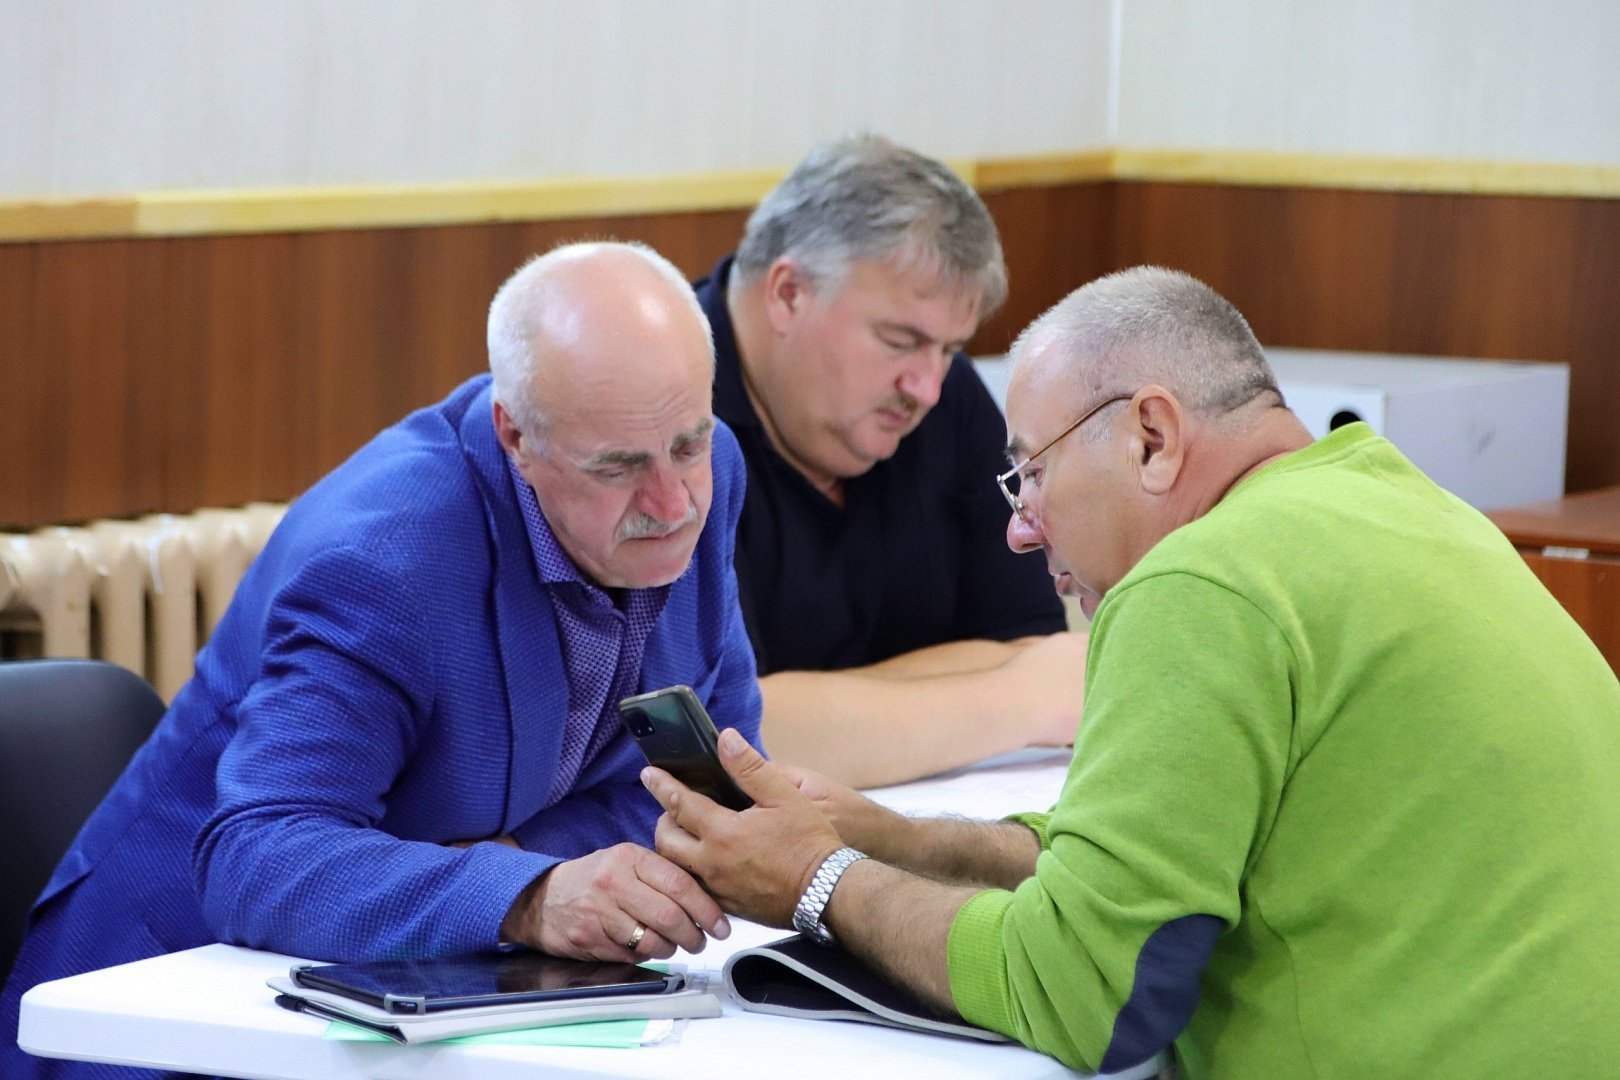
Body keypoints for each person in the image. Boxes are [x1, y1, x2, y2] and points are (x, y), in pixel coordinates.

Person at [643, 267, 1620, 1077]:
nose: (1021, 529)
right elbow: (1143, 860)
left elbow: (1085, 993)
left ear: (1152, 437)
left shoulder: (1202, 580)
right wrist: (895, 841)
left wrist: (815, 880)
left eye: (1030, 473)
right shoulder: (1414, 507)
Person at [2, 242, 760, 1078]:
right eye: (617, 467)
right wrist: (528, 895)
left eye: (689, 444)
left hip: (449, 990)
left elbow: (711, 795)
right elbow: (258, 855)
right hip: (171, 1003)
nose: (673, 503)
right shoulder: (384, 561)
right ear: (515, 435)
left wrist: (525, 861)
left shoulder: (708, 470)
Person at [696, 134, 1085, 787]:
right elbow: (735, 736)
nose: (927, 388)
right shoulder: (665, 416)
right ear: (788, 294)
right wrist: (1023, 700)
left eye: (948, 350)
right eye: (900, 340)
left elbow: (1032, 647)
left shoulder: (944, 394)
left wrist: (835, 714)